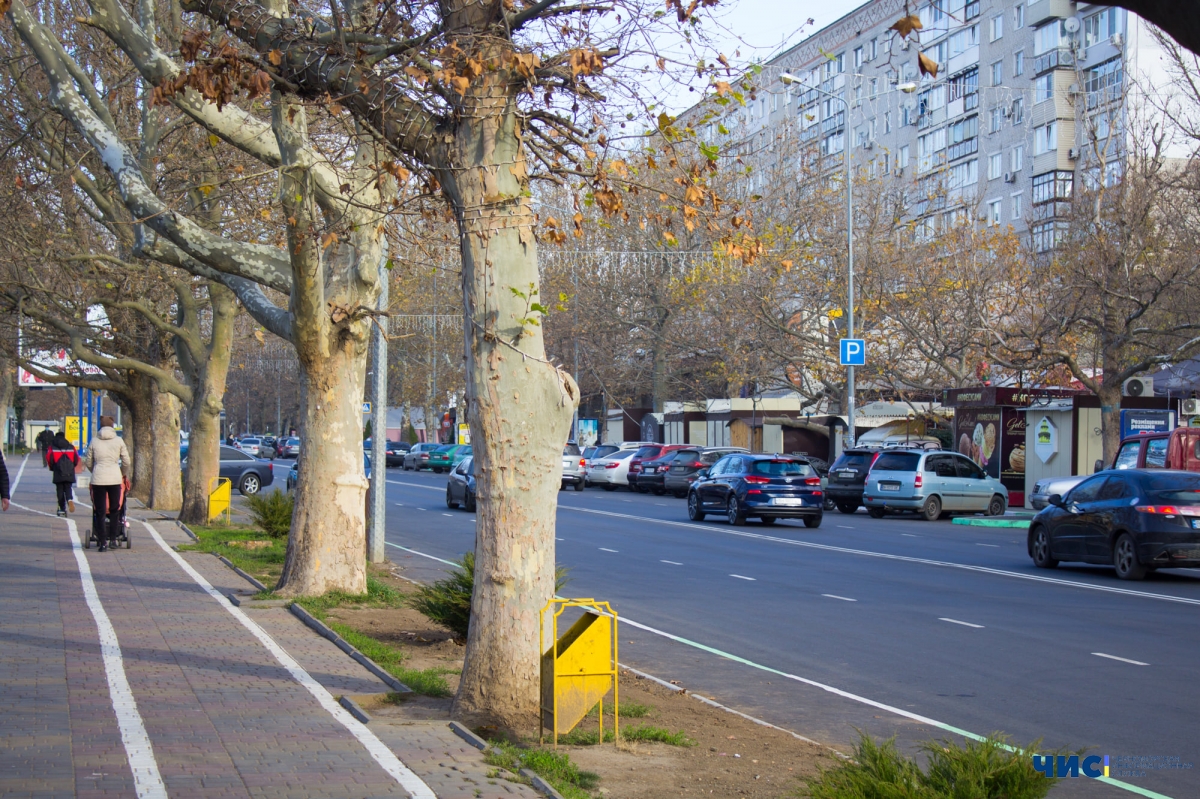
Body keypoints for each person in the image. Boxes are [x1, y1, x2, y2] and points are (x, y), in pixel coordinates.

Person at [84, 416, 130, 552]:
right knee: (115, 509)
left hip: (98, 479)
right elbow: (126, 461)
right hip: (115, 478)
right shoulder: (119, 441)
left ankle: (102, 541)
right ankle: (114, 539)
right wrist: (121, 473)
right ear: (112, 426)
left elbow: (88, 461)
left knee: (100, 511)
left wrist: (95, 470)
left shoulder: (94, 441)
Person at [46, 432, 79, 517]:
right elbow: (76, 458)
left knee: (60, 489)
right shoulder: (71, 447)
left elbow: (49, 458)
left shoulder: (52, 447)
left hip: (58, 471)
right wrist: (72, 466)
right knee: (68, 487)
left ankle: (62, 508)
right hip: (69, 471)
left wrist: (52, 467)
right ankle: (70, 499)